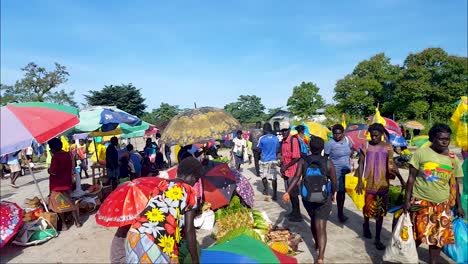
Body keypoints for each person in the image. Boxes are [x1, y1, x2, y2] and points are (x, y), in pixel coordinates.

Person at [404, 124, 464, 264]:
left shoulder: (452, 158)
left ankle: (433, 262)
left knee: (437, 238)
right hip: (420, 201)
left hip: (442, 205)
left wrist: (459, 206)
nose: (444, 142)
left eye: (447, 139)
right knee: (416, 236)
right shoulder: (420, 154)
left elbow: (454, 184)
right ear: (432, 139)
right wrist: (407, 200)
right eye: (441, 139)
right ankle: (408, 258)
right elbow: (411, 179)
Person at [125, 157, 202, 263]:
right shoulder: (190, 192)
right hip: (155, 242)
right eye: (196, 179)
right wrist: (195, 260)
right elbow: (189, 230)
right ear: (191, 176)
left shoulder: (162, 184)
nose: (196, 182)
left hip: (134, 235)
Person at [283, 136, 337, 264]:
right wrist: (332, 194)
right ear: (323, 148)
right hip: (323, 198)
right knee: (321, 226)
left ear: (310, 148)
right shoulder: (328, 162)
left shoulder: (303, 161)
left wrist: (287, 192)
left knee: (313, 220)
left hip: (308, 198)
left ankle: (317, 244)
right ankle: (320, 258)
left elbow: (296, 177)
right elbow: (334, 182)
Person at [356, 123, 405, 250]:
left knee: (380, 212)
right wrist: (359, 181)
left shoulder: (388, 147)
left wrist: (401, 180)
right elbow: (361, 163)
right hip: (369, 183)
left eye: (376, 136)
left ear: (382, 135)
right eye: (372, 136)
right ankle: (366, 224)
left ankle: (377, 238)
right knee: (367, 208)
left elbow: (392, 165)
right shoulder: (365, 145)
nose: (374, 138)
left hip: (383, 184)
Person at [47, 138, 81, 230]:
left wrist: (49, 170)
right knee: (69, 202)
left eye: (51, 148)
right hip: (67, 183)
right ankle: (77, 222)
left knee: (59, 206)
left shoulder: (55, 157)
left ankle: (64, 225)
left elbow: (53, 171)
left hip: (57, 185)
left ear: (54, 148)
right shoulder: (68, 155)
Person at [324, 124, 353, 223]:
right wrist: (326, 172)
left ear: (343, 133)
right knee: (331, 192)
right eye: (335, 134)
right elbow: (325, 158)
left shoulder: (347, 141)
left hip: (346, 171)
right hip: (334, 171)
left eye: (339, 134)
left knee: (342, 193)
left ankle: (340, 213)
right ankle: (326, 212)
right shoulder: (329, 144)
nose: (337, 136)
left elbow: (351, 151)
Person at [280, 121, 303, 222]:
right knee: (289, 193)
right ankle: (294, 211)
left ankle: (298, 214)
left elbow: (297, 157)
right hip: (286, 171)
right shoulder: (283, 141)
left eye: (285, 130)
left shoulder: (293, 140)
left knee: (293, 194)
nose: (284, 132)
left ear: (289, 130)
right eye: (282, 131)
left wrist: (286, 166)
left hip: (293, 172)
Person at [258, 123, 280, 200]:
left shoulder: (262, 138)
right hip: (273, 160)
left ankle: (266, 190)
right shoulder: (276, 138)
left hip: (264, 160)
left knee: (263, 176)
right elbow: (278, 149)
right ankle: (275, 194)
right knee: (274, 177)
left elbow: (259, 149)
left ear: (264, 130)